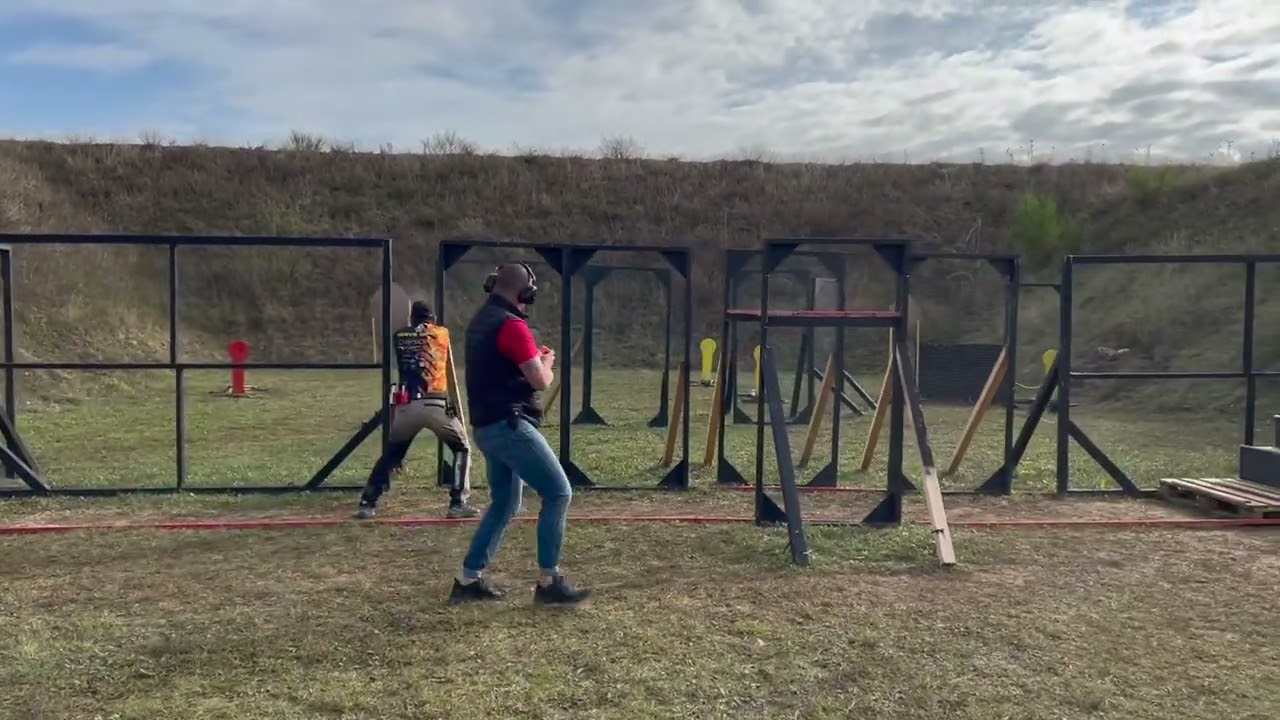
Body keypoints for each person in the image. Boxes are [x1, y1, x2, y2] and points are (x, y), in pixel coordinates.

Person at [448, 262, 591, 607]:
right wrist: (547, 362)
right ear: (525, 292)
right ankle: (549, 580)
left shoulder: (481, 321)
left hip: (487, 426)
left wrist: (532, 359)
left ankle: (469, 578)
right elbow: (539, 380)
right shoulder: (512, 326)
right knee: (558, 492)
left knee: (506, 502)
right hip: (510, 425)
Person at [355, 300, 479, 520]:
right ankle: (458, 502)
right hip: (436, 404)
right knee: (462, 449)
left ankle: (368, 502)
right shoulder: (441, 333)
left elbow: (408, 341)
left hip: (407, 404)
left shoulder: (399, 336)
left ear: (412, 318)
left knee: (392, 454)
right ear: (431, 319)